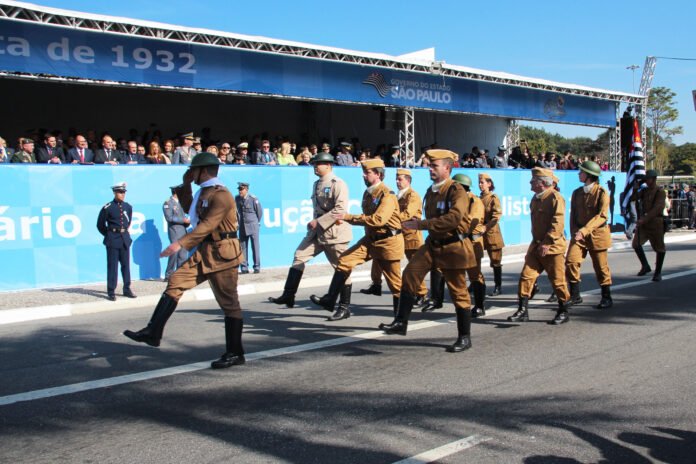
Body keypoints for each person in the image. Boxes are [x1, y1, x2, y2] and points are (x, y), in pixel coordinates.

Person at [124, 152, 246, 370]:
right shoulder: (204, 191)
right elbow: (193, 211)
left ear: (204, 170)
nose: (190, 172)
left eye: (193, 170)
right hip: (205, 250)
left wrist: (179, 243)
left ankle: (235, 353)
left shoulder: (222, 194)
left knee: (229, 304)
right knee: (176, 281)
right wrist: (186, 184)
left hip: (223, 253)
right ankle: (153, 331)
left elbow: (206, 224)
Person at [379, 149, 476, 353]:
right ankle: (401, 322)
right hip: (433, 244)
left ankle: (464, 337)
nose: (430, 169)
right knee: (410, 274)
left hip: (453, 247)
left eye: (435, 166)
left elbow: (454, 218)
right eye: (430, 165)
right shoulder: (431, 190)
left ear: (447, 168)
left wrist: (421, 225)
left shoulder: (456, 190)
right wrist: (419, 223)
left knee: (458, 292)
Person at [310, 158, 404, 321]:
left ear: (378, 175)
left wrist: (347, 217)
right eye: (364, 172)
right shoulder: (368, 193)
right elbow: (368, 219)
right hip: (370, 240)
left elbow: (378, 220)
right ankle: (334, 302)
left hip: (388, 242)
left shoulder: (387, 195)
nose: (363, 175)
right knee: (344, 261)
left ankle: (400, 320)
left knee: (395, 284)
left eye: (367, 173)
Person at [268, 153, 352, 310]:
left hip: (334, 233)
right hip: (316, 233)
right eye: (314, 163)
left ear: (329, 166)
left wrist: (318, 222)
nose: (315, 166)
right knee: (299, 256)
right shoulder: (317, 184)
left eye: (319, 163)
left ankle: (344, 307)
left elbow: (340, 209)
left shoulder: (338, 183)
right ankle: (288, 295)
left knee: (341, 268)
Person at [507, 168, 571, 325]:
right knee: (526, 277)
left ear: (542, 183)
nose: (530, 183)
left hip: (552, 247)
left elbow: (558, 223)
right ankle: (523, 310)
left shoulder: (555, 198)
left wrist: (547, 242)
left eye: (533, 181)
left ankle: (563, 310)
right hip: (536, 246)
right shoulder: (535, 199)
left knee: (557, 280)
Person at [360, 168, 426, 303]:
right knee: (378, 258)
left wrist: (389, 218)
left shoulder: (413, 196)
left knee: (413, 266)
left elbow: (407, 214)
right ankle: (376, 284)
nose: (397, 181)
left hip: (410, 236)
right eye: (396, 179)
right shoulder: (395, 196)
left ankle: (421, 293)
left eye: (400, 179)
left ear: (408, 180)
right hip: (396, 234)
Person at [565, 161, 613, 309]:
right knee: (571, 261)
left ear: (589, 176)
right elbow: (573, 215)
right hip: (579, 235)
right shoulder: (577, 192)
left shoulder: (602, 193)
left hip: (597, 235)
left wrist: (584, 231)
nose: (579, 174)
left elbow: (602, 216)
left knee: (601, 267)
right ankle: (575, 295)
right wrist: (574, 231)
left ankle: (606, 296)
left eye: (581, 172)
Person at [452, 173, 487, 317]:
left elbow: (472, 220)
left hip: (472, 242)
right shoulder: (455, 200)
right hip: (458, 241)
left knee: (474, 275)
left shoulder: (475, 201)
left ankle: (479, 306)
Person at [96, 182, 137, 301]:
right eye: (120, 192)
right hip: (112, 239)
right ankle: (111, 290)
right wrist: (109, 234)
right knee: (112, 266)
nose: (122, 194)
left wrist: (122, 232)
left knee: (126, 265)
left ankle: (127, 288)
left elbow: (127, 222)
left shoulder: (128, 207)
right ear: (114, 193)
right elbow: (100, 225)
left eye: (123, 192)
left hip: (124, 238)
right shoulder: (108, 207)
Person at [632, 170, 667, 281]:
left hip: (655, 223)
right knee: (636, 244)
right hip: (644, 223)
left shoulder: (660, 192)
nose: (646, 181)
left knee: (659, 248)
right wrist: (635, 188)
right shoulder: (645, 191)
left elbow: (657, 208)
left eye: (648, 179)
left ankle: (658, 272)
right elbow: (634, 198)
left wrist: (644, 219)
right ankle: (645, 266)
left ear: (654, 179)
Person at [479, 173, 505, 297]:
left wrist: (486, 226)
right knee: (474, 259)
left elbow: (496, 216)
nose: (480, 185)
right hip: (479, 233)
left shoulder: (493, 198)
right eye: (479, 182)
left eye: (482, 182)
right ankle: (476, 284)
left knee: (495, 261)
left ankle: (498, 286)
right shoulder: (478, 198)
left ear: (489, 184)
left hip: (491, 233)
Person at [163, 184, 190, 279]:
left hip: (183, 230)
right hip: (174, 230)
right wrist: (183, 220)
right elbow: (169, 217)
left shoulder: (181, 203)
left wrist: (187, 222)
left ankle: (180, 274)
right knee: (174, 252)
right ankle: (169, 274)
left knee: (183, 253)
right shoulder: (168, 203)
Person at [235, 182, 263, 274]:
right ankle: (244, 267)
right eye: (239, 189)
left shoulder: (253, 199)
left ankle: (257, 267)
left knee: (255, 247)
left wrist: (255, 222)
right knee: (243, 247)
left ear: (246, 189)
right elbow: (237, 212)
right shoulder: (237, 199)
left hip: (253, 226)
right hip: (242, 226)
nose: (240, 191)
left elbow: (259, 212)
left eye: (241, 189)